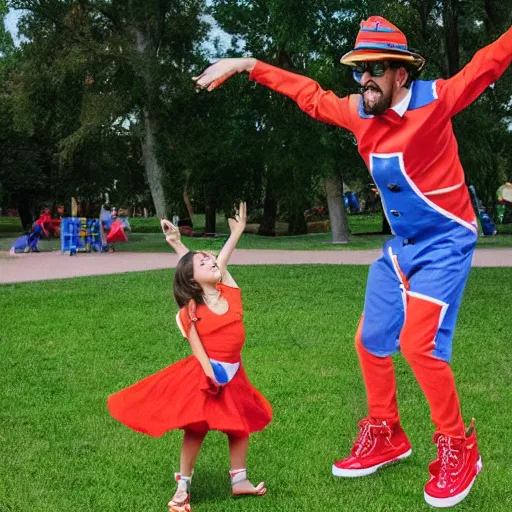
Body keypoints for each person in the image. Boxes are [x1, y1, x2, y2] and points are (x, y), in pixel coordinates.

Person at [193, 16, 512, 508]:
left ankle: (457, 448)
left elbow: (489, 62)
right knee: (371, 339)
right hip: (402, 248)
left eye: (376, 68)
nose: (365, 78)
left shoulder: (437, 99)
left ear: (401, 73)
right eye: (358, 69)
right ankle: (387, 433)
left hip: (447, 240)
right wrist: (248, 64)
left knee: (419, 345)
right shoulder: (358, 113)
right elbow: (308, 94)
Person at [107, 202, 272, 512]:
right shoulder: (191, 312)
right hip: (208, 377)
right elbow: (197, 350)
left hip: (235, 374)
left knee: (240, 426)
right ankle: (183, 486)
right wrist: (211, 377)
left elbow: (218, 263)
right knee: (196, 428)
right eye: (203, 262)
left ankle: (239, 481)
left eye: (210, 259)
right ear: (193, 280)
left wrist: (236, 232)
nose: (210, 261)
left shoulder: (229, 292)